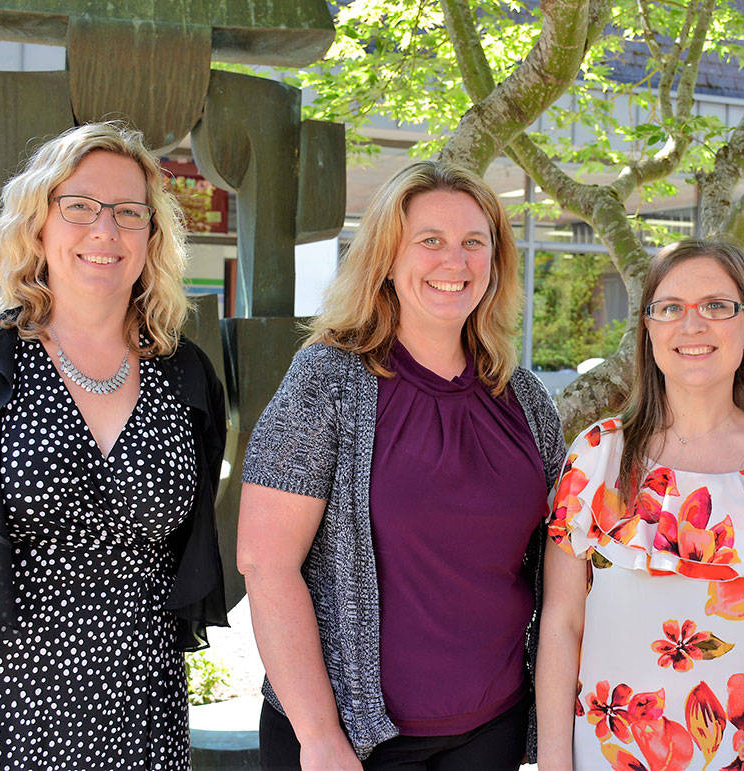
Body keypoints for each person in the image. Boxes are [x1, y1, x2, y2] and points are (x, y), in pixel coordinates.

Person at [0, 121, 228, 768]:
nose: (105, 230)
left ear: (153, 235)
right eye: (80, 206)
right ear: (38, 223)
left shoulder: (186, 375)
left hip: (139, 719)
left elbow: (185, 545)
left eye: (128, 212)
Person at [237, 160, 566, 769]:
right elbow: (265, 563)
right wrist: (319, 736)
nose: (455, 262)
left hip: (492, 730)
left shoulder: (525, 397)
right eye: (430, 242)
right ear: (387, 257)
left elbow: (561, 564)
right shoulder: (328, 380)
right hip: (352, 740)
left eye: (474, 243)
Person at [537, 239, 744, 771]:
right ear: (648, 331)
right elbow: (562, 625)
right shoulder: (596, 457)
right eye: (670, 308)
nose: (693, 324)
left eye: (717, 306)